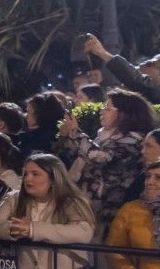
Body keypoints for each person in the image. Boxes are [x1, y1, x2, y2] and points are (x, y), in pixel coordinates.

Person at [59, 89, 154, 231]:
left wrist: (75, 132)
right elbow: (82, 157)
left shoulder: (133, 140)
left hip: (109, 210)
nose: (101, 111)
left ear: (124, 113)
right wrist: (67, 136)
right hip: (87, 207)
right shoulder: (103, 136)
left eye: (107, 108)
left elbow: (102, 158)